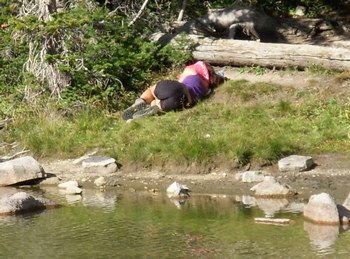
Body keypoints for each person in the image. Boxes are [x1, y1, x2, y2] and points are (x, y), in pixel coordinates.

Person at [122, 60, 225, 120]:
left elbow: (180, 82)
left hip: (176, 88)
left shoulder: (192, 70)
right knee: (158, 102)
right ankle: (156, 107)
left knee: (151, 90)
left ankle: (141, 101)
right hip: (182, 101)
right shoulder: (206, 88)